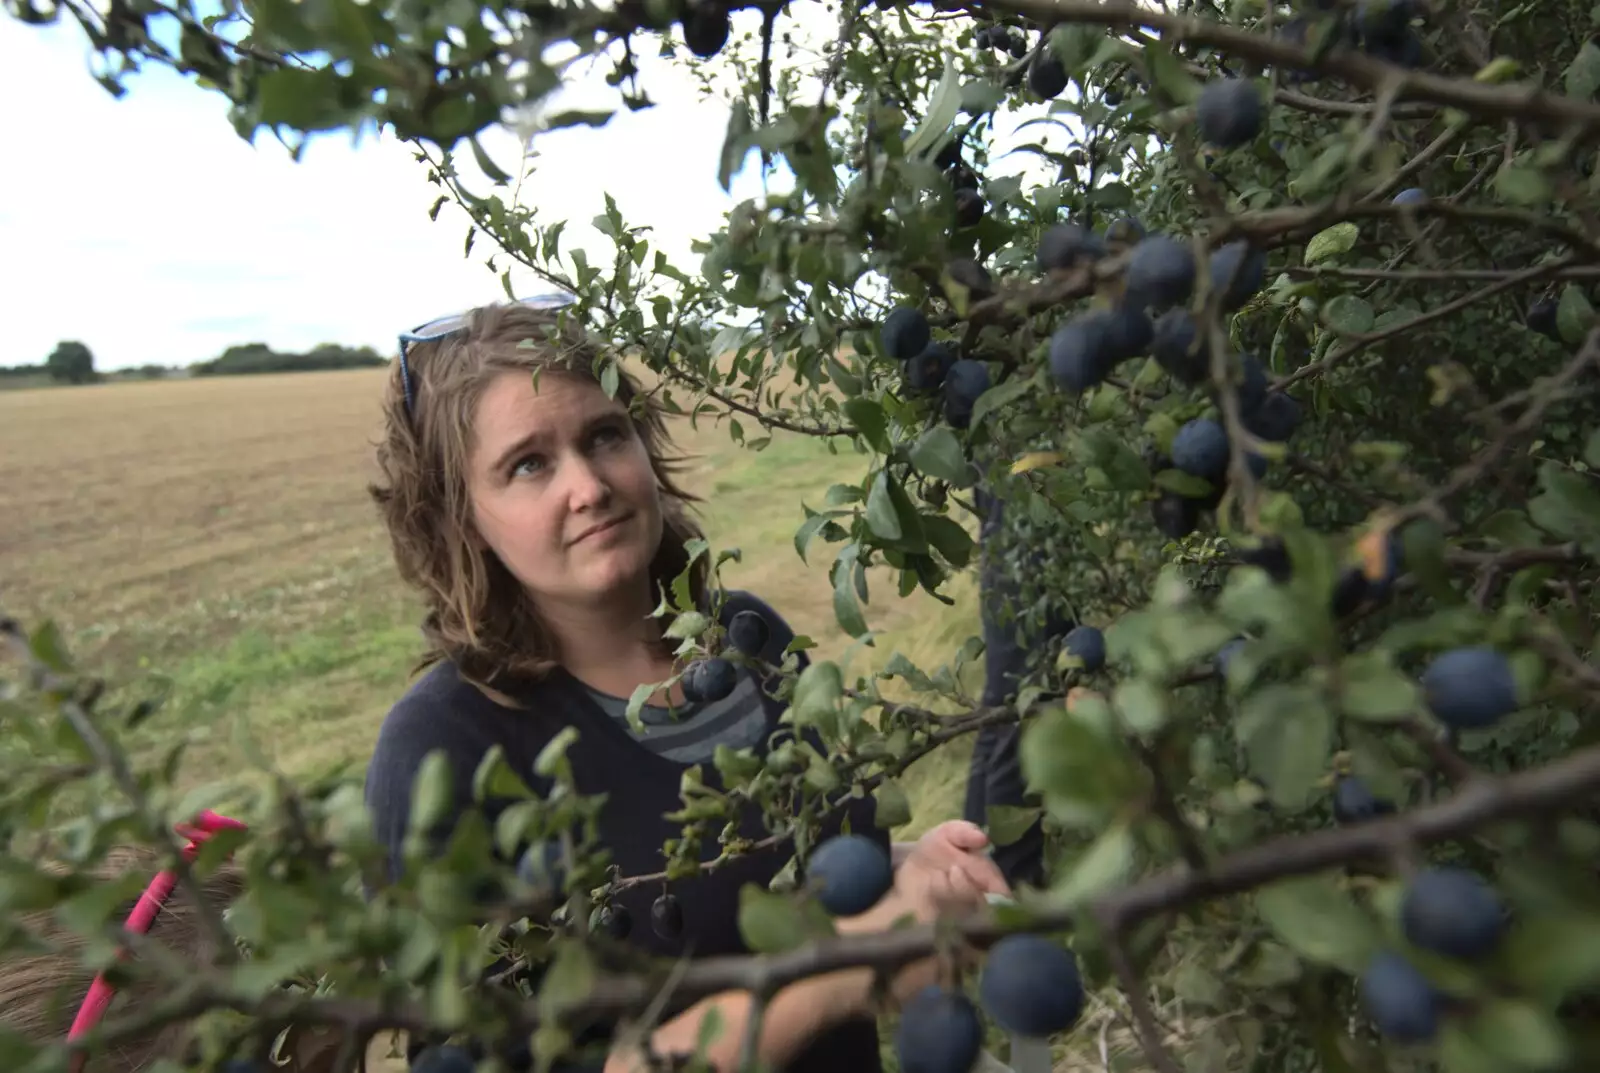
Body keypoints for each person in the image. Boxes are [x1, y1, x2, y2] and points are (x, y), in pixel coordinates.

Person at [361, 294, 1012, 1073]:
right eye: (528, 463)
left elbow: (767, 873)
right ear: (460, 516)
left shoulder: (747, 640)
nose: (589, 486)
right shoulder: (444, 751)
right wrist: (851, 965)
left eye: (605, 435)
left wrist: (905, 866)